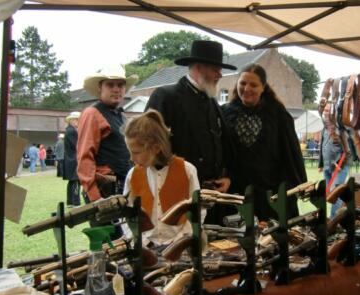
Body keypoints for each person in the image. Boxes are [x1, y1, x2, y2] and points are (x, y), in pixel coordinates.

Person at [145, 40, 233, 223]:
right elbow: (150, 149)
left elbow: (223, 144)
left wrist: (226, 177)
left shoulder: (212, 102)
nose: (220, 74)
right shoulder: (166, 97)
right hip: (180, 201)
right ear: (199, 67)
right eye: (215, 69)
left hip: (213, 198)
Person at [222, 63, 307, 220]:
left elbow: (291, 154)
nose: (246, 89)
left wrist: (294, 189)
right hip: (236, 194)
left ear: (263, 87)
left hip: (270, 195)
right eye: (242, 83)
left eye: (253, 84)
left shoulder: (278, 115)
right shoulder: (225, 113)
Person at [123, 109, 199, 247]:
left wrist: (180, 241)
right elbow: (127, 215)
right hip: (145, 247)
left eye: (136, 152)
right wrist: (142, 243)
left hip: (180, 245)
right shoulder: (132, 175)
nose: (131, 158)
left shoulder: (188, 170)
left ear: (156, 148)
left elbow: (198, 211)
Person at [77, 64, 138, 202]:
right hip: (104, 191)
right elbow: (85, 157)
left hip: (124, 187)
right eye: (110, 85)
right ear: (100, 88)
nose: (116, 89)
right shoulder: (92, 114)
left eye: (121, 85)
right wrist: (95, 197)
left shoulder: (122, 117)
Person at [318, 125, 350, 218]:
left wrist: (340, 162)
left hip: (340, 167)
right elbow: (322, 145)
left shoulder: (342, 127)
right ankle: (338, 217)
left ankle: (334, 221)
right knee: (329, 195)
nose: (326, 112)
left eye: (328, 110)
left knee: (337, 194)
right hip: (327, 166)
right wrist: (321, 164)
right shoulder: (324, 128)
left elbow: (349, 148)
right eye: (324, 110)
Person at [64, 111, 81, 207]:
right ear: (72, 120)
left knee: (72, 181)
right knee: (76, 180)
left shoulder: (68, 130)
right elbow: (77, 145)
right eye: (77, 120)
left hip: (70, 159)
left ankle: (70, 202)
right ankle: (76, 202)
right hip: (74, 159)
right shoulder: (72, 131)